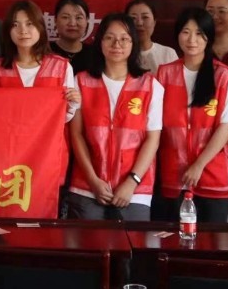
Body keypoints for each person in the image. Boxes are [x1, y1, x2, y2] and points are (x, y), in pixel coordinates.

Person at [67, 13, 162, 221]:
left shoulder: (149, 85)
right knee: (88, 241)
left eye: (124, 39)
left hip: (135, 191)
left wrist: (132, 181)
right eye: (109, 37)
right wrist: (92, 180)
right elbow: (76, 135)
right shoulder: (81, 81)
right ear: (100, 42)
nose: (116, 44)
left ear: (133, 43)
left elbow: (152, 140)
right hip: (87, 187)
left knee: (133, 241)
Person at [154, 6, 228, 224]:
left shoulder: (224, 77)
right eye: (186, 32)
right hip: (174, 174)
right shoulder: (165, 73)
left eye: (199, 33)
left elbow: (227, 127)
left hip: (214, 175)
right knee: (173, 238)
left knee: (214, 240)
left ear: (209, 38)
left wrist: (199, 165)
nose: (192, 40)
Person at [0, 0, 81, 118]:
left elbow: (63, 118)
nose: (23, 31)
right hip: (8, 130)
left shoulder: (60, 67)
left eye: (29, 24)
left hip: (49, 131)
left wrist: (73, 103)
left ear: (40, 27)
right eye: (15, 25)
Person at [49, 0, 97, 74]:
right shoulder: (45, 51)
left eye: (78, 18)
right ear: (55, 20)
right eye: (65, 17)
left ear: (87, 21)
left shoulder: (95, 55)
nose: (72, 23)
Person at [125, 0, 179, 68]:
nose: (139, 23)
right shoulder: (120, 53)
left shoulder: (168, 54)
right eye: (133, 18)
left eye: (145, 17)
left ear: (154, 22)